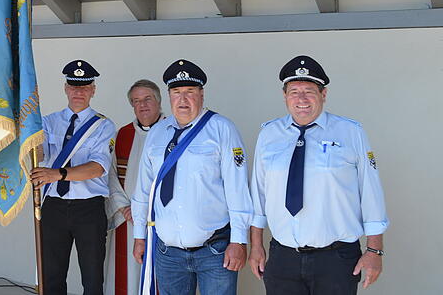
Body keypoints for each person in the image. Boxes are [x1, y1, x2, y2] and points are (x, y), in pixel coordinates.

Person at [248, 55, 389, 294]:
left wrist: (374, 250)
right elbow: (258, 195)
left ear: (323, 95)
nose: (301, 99)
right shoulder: (269, 134)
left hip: (336, 259)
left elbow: (371, 192)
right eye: (294, 91)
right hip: (283, 257)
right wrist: (256, 246)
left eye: (309, 91)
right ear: (285, 97)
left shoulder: (350, 132)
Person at [132, 59, 252, 295]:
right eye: (177, 92)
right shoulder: (157, 134)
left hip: (214, 251)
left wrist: (239, 241)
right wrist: (139, 236)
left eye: (190, 92)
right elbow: (143, 191)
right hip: (167, 252)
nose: (183, 99)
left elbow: (238, 190)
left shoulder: (221, 129)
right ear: (168, 96)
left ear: (201, 94)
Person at [30, 60, 117, 295]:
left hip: (88, 209)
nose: (79, 92)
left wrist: (57, 174)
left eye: (85, 86)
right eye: (74, 86)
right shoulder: (46, 122)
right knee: (51, 276)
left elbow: (98, 168)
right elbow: (40, 155)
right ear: (66, 88)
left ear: (93, 90)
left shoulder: (104, 126)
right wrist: (29, 138)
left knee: (92, 278)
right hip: (54, 207)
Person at [104, 79, 164, 295]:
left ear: (158, 101)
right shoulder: (122, 135)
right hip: (127, 220)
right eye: (136, 101)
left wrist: (146, 212)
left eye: (147, 99)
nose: (142, 105)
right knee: (125, 278)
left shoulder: (173, 131)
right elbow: (110, 176)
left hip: (161, 220)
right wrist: (124, 208)